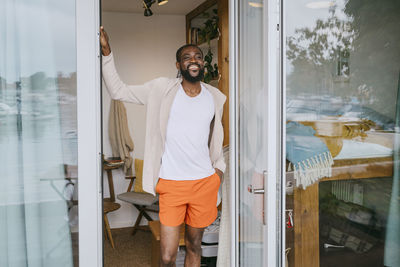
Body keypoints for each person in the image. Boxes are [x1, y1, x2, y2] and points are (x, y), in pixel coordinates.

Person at [100, 26, 226, 267]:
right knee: (167, 255)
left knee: (194, 246)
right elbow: (118, 91)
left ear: (203, 64)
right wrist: (107, 53)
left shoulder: (214, 97)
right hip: (171, 184)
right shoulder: (161, 89)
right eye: (187, 57)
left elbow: (213, 139)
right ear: (178, 65)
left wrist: (217, 172)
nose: (194, 60)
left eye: (198, 56)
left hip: (204, 184)